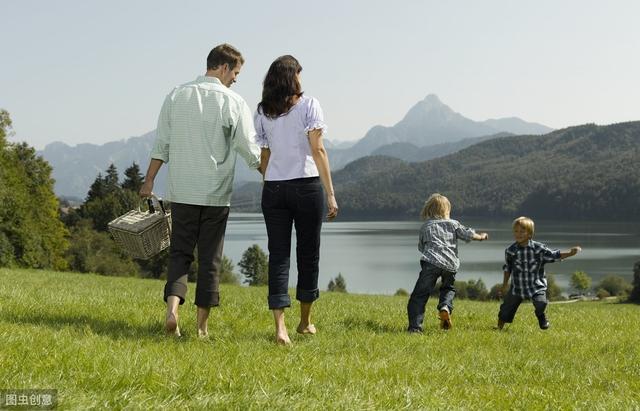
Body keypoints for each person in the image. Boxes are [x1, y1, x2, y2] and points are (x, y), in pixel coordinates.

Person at [140, 44, 261, 338]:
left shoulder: (176, 95)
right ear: (223, 67)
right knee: (210, 260)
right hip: (215, 195)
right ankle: (202, 329)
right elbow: (249, 148)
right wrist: (271, 173)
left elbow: (162, 145)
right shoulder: (233, 101)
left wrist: (149, 180)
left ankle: (172, 312)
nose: (235, 79)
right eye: (236, 73)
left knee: (179, 254)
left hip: (181, 192)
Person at [254, 55, 338, 345]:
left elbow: (264, 158)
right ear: (292, 77)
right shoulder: (309, 105)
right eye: (299, 74)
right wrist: (330, 193)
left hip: (274, 189)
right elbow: (318, 150)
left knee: (278, 256)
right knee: (308, 255)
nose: (302, 80)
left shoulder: (263, 111)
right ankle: (305, 322)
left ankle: (280, 329)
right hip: (306, 187)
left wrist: (270, 181)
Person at [407, 193, 488, 332]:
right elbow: (467, 234)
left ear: (429, 210)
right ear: (447, 211)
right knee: (448, 288)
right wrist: (481, 237)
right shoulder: (453, 224)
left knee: (419, 296)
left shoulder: (426, 226)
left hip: (431, 262)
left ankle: (415, 328)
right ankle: (445, 306)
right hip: (450, 264)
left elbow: (421, 247)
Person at [496, 216, 581, 330]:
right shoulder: (511, 251)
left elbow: (554, 255)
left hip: (536, 286)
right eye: (516, 231)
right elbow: (507, 269)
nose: (518, 234)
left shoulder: (538, 249)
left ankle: (541, 316)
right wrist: (504, 285)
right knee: (506, 309)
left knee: (541, 303)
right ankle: (499, 328)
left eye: (522, 231)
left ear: (530, 234)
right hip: (517, 288)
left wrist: (570, 253)